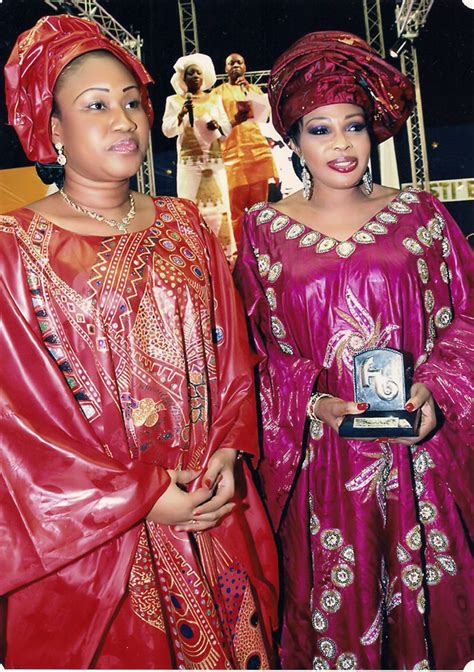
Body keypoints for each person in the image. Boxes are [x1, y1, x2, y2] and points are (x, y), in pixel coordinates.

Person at [1, 15, 278, 669]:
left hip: (210, 511)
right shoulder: (13, 247)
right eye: (95, 105)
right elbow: (15, 417)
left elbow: (232, 360)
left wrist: (231, 457)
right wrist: (145, 496)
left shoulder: (186, 225)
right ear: (52, 128)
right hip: (91, 543)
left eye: (131, 101)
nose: (123, 120)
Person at [234, 31, 473, 671]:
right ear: (294, 140)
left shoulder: (420, 215)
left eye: (354, 126)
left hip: (421, 457)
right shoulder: (262, 232)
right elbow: (250, 350)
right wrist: (316, 404)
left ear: (374, 134)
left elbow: (469, 317)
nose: (341, 144)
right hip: (325, 466)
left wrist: (436, 388)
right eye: (320, 129)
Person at [162, 54, 236, 262]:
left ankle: (224, 257)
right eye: (190, 73)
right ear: (182, 79)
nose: (195, 76)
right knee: (191, 207)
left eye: (198, 72)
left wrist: (218, 126)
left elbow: (227, 131)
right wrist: (181, 115)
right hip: (189, 165)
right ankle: (196, 254)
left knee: (219, 208)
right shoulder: (174, 101)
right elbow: (167, 131)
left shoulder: (214, 98)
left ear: (204, 76)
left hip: (214, 163)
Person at [214, 53, 278, 249]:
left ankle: (262, 250)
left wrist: (248, 93)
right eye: (230, 63)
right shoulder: (217, 93)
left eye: (239, 62)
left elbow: (264, 119)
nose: (235, 66)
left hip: (258, 156)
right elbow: (216, 127)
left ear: (245, 67)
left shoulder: (254, 89)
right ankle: (242, 255)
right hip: (233, 158)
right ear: (225, 69)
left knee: (260, 209)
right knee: (236, 213)